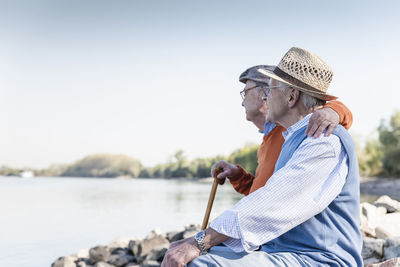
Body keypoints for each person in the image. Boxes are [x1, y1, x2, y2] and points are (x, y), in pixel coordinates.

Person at [161, 47, 362, 267]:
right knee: (203, 257)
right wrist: (239, 177)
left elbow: (273, 201)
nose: (267, 96)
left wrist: (200, 240)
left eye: (271, 89)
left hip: (320, 259)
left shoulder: (322, 139)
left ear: (292, 97)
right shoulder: (293, 136)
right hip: (284, 251)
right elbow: (267, 193)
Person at [213, 64, 353, 195]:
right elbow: (264, 194)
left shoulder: (295, 129)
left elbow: (338, 117)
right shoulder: (268, 139)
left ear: (265, 93)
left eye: (245, 92)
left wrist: (333, 110)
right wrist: (237, 176)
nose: (242, 102)